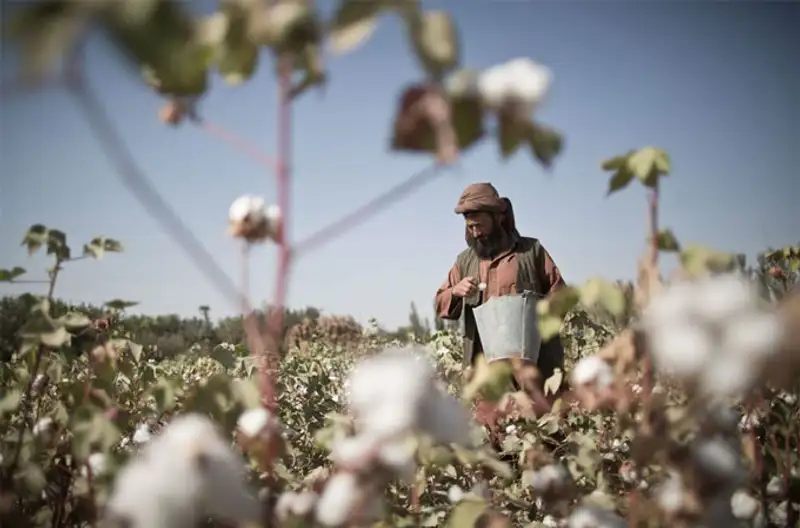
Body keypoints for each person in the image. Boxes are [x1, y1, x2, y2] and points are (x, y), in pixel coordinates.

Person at [434, 182, 567, 388]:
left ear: (498, 217)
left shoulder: (531, 252)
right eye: (471, 227)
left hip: (533, 376)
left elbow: (560, 295)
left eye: (480, 225)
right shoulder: (464, 262)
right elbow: (439, 303)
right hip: (487, 379)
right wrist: (455, 291)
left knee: (538, 419)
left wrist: (535, 319)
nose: (476, 233)